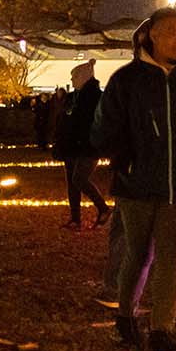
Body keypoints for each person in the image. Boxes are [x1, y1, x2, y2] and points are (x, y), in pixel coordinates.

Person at [93, 6, 176, 351]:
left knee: (171, 254)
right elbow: (104, 128)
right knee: (138, 252)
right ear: (152, 34)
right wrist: (125, 160)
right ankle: (125, 319)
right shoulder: (127, 80)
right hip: (136, 186)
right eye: (173, 33)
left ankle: (162, 330)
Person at [54, 59, 108, 230]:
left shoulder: (95, 98)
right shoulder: (74, 97)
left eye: (74, 76)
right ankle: (75, 218)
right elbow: (64, 120)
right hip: (70, 145)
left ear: (83, 77)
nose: (72, 80)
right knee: (72, 181)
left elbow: (96, 122)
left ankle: (104, 209)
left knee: (79, 178)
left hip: (88, 146)